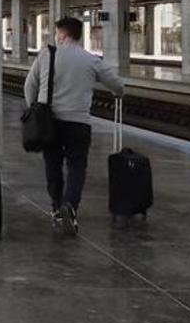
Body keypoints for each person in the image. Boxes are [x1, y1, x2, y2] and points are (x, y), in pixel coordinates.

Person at [23, 16, 126, 235]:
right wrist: (118, 93)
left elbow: (29, 85)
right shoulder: (90, 59)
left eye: (57, 33)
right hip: (79, 123)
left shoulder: (46, 54)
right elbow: (117, 84)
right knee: (77, 167)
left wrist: (34, 109)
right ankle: (70, 205)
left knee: (53, 165)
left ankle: (56, 209)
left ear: (62, 34)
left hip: (49, 122)